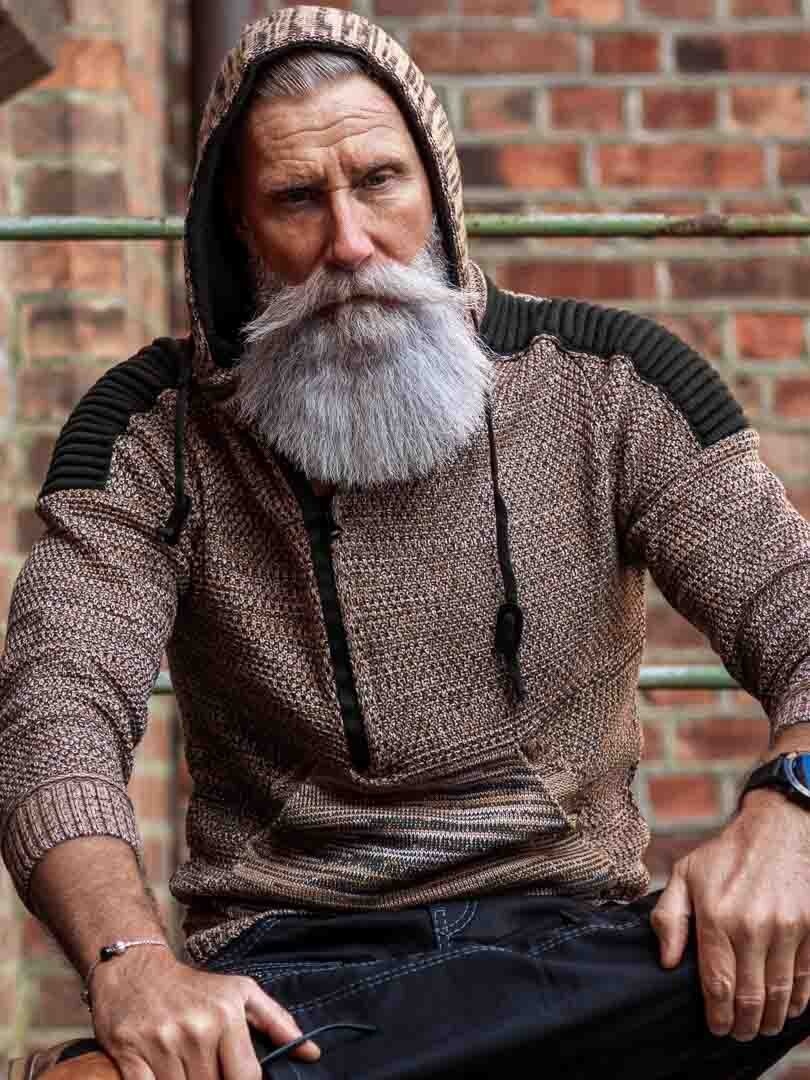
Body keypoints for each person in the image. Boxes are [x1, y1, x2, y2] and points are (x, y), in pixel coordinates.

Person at [2, 7, 810, 1079]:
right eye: (297, 199)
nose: (349, 243)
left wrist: (793, 804)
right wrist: (130, 962)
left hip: (575, 947)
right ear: (238, 229)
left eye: (379, 181)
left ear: (438, 188)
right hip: (295, 981)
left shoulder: (613, 385)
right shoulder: (150, 433)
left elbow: (792, 603)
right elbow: (55, 712)